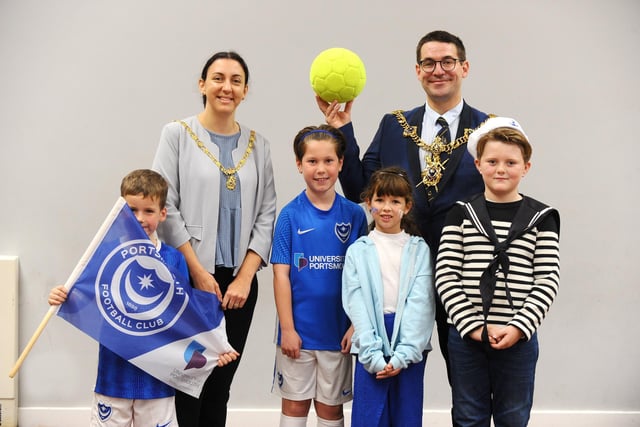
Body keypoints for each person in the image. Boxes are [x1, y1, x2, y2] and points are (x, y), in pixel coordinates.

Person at [316, 30, 491, 379]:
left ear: (464, 67)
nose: (437, 70)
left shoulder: (487, 129)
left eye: (447, 62)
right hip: (397, 274)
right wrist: (342, 130)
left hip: (463, 272)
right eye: (428, 63)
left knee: (469, 381)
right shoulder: (395, 125)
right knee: (394, 374)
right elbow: (359, 190)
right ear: (417, 70)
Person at [48, 169, 239, 427]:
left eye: (148, 211)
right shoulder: (106, 255)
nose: (140, 218)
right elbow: (88, 299)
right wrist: (62, 295)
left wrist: (216, 347)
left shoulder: (174, 259)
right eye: (132, 210)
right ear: (120, 212)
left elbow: (183, 318)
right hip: (113, 378)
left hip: (157, 383)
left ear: (162, 214)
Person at [151, 51, 277, 427]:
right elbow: (165, 205)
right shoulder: (177, 134)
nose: (227, 86)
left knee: (222, 381)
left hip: (239, 283)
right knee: (188, 378)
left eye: (236, 80)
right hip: (189, 277)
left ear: (245, 90)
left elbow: (266, 214)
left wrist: (245, 277)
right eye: (218, 78)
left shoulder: (259, 145)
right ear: (202, 84)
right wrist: (198, 274)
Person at [435, 117, 560, 427]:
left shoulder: (542, 218)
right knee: (468, 415)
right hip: (467, 338)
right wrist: (474, 326)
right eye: (492, 161)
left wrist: (519, 326)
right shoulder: (461, 214)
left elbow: (547, 279)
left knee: (514, 416)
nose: (500, 169)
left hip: (518, 338)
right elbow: (446, 274)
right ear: (478, 165)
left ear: (526, 167)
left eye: (510, 162)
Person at [270, 125, 368, 427]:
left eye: (328, 161)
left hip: (337, 336)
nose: (321, 169)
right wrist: (287, 329)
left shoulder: (354, 215)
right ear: (299, 165)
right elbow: (281, 276)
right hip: (298, 336)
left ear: (340, 164)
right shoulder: (289, 215)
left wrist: (356, 324)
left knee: (330, 410)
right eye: (312, 161)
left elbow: (363, 276)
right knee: (295, 407)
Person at [342, 167, 436, 427]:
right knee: (370, 417)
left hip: (410, 342)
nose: (386, 208)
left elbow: (422, 304)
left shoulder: (418, 249)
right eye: (380, 200)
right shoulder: (358, 251)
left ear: (407, 207)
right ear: (368, 202)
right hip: (370, 337)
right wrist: (372, 354)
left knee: (406, 416)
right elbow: (356, 301)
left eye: (395, 201)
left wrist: (403, 353)